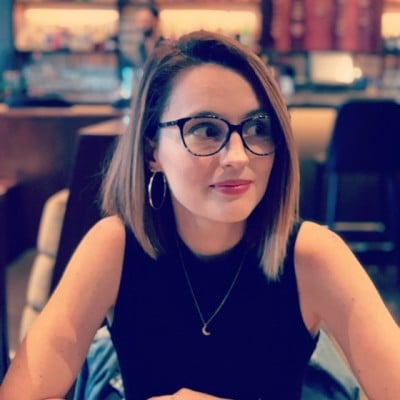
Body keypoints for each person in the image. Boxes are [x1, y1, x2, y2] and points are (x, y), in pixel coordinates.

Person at [1, 30, 399, 400]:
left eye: (258, 128)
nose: (238, 156)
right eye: (206, 130)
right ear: (153, 151)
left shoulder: (312, 256)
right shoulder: (115, 248)